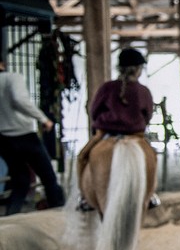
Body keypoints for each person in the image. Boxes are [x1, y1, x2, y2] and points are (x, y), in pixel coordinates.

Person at [76, 47, 159, 210]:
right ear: (138, 70)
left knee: (81, 157)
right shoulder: (144, 91)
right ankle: (151, 194)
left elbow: (94, 111)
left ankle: (84, 197)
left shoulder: (106, 88)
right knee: (153, 157)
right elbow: (148, 116)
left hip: (104, 134)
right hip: (136, 135)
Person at [0, 58, 65, 215]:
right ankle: (59, 216)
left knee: (20, 181)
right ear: (2, 64)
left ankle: (10, 218)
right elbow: (19, 100)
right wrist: (44, 119)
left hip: (3, 140)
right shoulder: (12, 77)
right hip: (24, 135)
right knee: (49, 178)